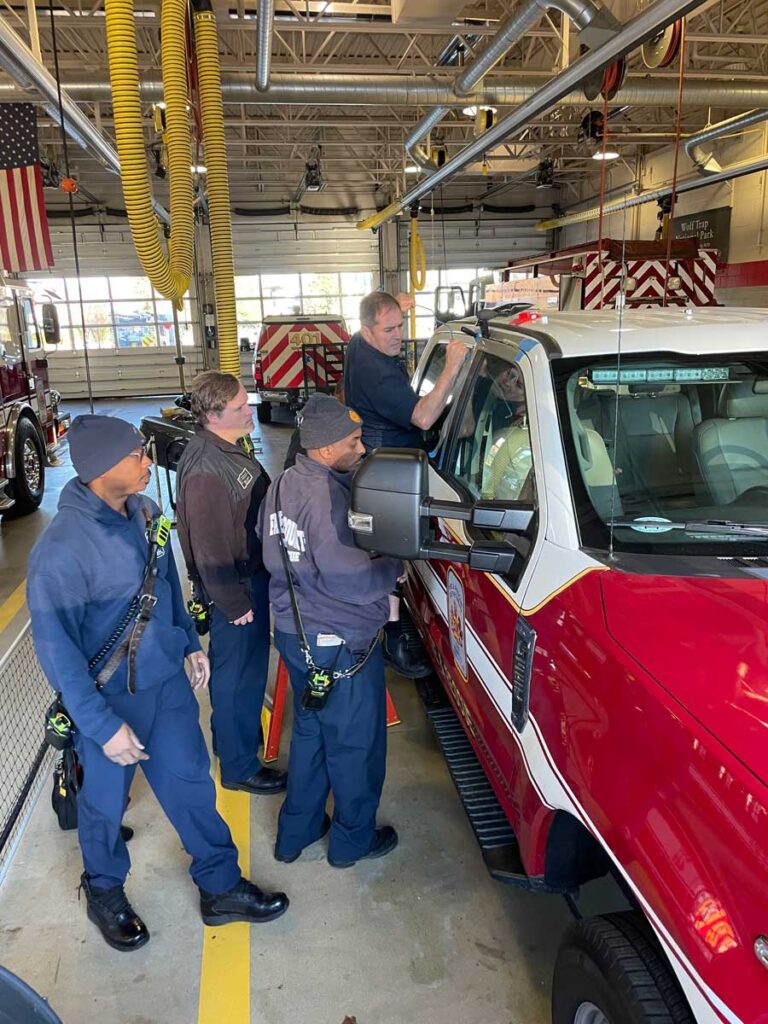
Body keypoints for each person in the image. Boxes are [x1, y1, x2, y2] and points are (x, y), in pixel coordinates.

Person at [27, 415, 288, 952]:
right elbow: (58, 655)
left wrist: (189, 644)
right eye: (137, 456)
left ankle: (220, 886)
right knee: (102, 804)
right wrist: (100, 727)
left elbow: (166, 581)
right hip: (107, 701)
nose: (149, 463)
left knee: (192, 783)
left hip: (165, 687)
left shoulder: (146, 513)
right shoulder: (59, 552)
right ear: (102, 470)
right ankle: (104, 891)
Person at [257, 394, 402, 868]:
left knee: (311, 735)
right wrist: (393, 570)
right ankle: (351, 843)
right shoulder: (328, 498)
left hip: (296, 638)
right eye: (353, 441)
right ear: (323, 450)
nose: (361, 450)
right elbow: (351, 579)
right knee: (355, 747)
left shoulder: (281, 485)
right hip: (340, 647)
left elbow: (273, 558)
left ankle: (294, 834)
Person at [344, 291, 468, 675]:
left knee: (391, 556)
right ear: (367, 330)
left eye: (401, 325)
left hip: (391, 461)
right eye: (389, 329)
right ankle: (393, 641)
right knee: (390, 556)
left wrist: (397, 305)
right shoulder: (377, 373)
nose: (398, 334)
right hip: (389, 470)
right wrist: (452, 365)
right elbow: (424, 418)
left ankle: (393, 627)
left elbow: (378, 314)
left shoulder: (358, 341)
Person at [175, 371, 286, 796]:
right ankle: (239, 767)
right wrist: (235, 604)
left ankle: (232, 741)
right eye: (240, 407)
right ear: (214, 415)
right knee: (238, 677)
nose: (249, 411)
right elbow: (207, 548)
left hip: (244, 582)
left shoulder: (223, 448)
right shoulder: (206, 469)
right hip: (234, 590)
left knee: (240, 673)